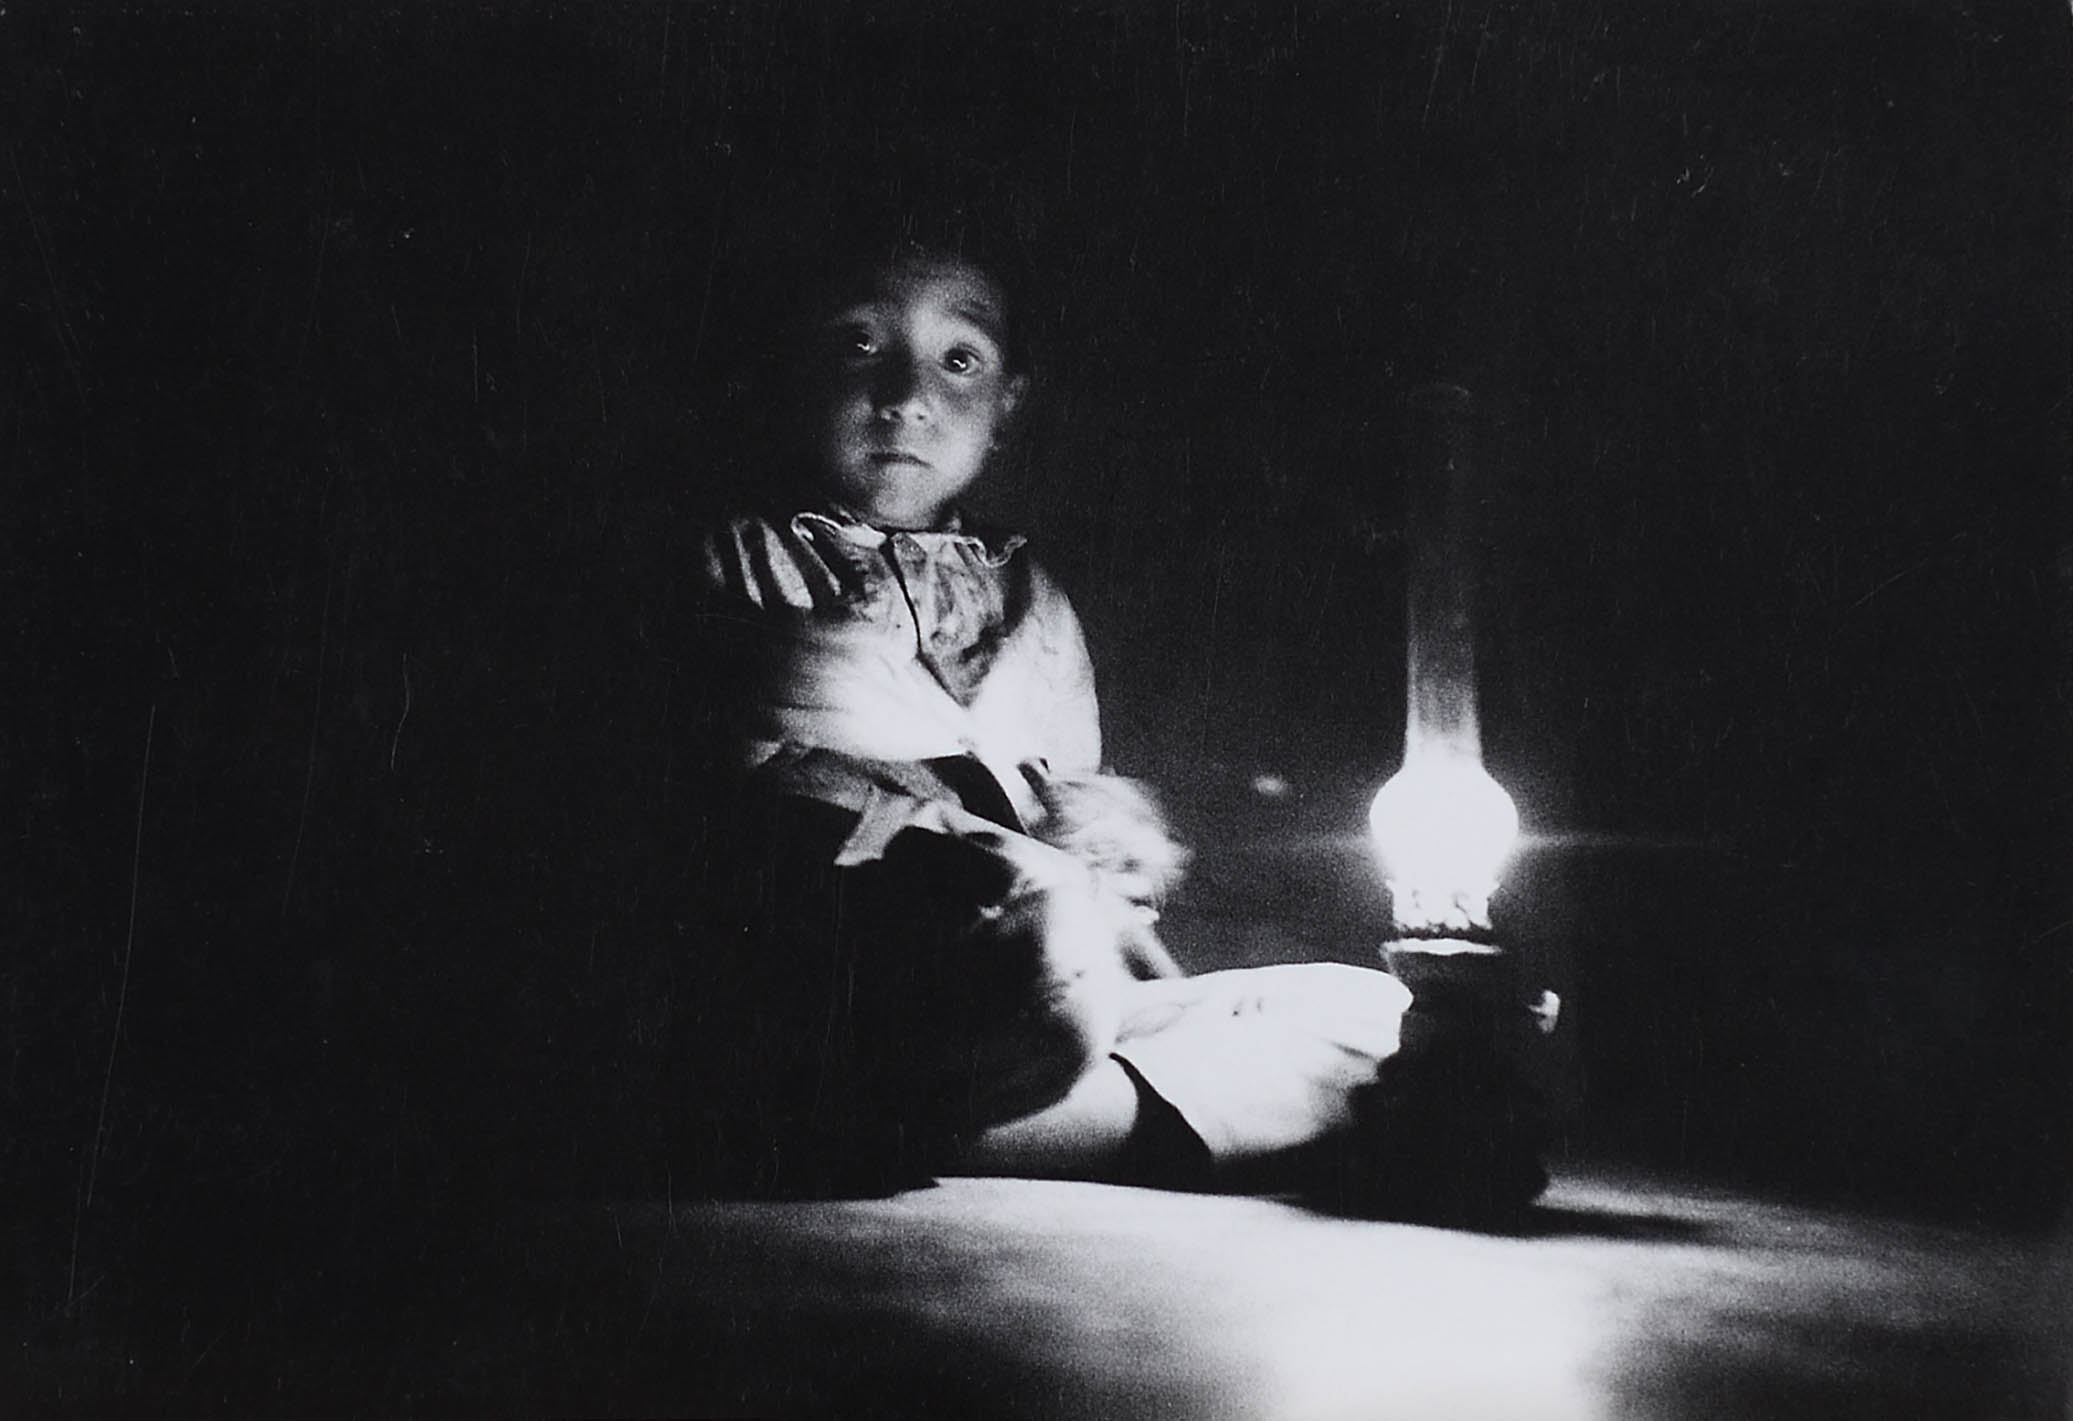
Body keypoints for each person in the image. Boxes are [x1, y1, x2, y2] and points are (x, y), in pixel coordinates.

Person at [677, 221, 1541, 1216]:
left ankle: (955, 1125)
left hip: (1044, 994)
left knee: (1379, 1013)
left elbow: (1073, 837)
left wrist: (1110, 851)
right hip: (880, 954)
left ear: (1008, 404)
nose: (906, 397)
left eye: (959, 359)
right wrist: (917, 797)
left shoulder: (1034, 601)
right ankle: (1101, 1116)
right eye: (861, 344)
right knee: (1034, 928)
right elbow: (735, 805)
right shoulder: (739, 557)